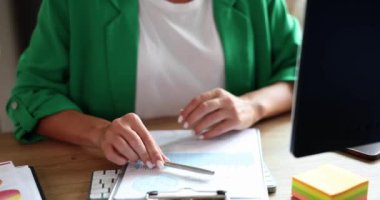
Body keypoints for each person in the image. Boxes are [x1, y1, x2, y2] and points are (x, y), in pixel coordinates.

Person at [6, 0, 301, 168]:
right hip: (113, 173)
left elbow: (301, 68)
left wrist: (252, 105)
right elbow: (32, 96)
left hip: (235, 174)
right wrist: (100, 132)